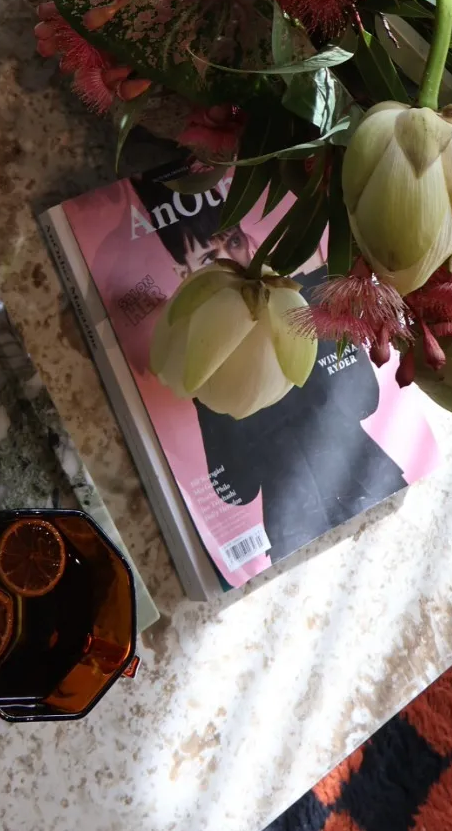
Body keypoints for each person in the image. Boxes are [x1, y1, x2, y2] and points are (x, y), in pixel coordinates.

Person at [130, 171, 407, 560]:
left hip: (369, 482)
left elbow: (368, 399)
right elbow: (233, 488)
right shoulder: (195, 353)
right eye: (210, 258)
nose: (231, 259)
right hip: (292, 527)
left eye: (236, 242)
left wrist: (312, 291)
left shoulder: (302, 298)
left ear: (250, 240)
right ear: (185, 276)